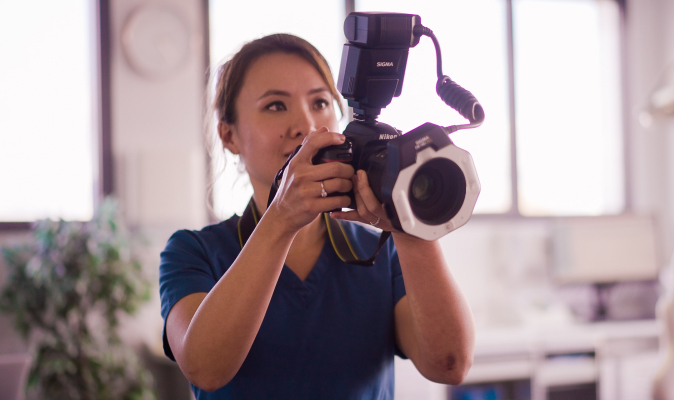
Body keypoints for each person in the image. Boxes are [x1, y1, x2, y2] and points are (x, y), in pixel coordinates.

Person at [159, 34, 475, 399]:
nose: (305, 125)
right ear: (228, 136)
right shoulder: (193, 251)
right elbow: (205, 369)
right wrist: (279, 221)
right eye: (276, 105)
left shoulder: (383, 252)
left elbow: (450, 365)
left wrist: (408, 227)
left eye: (321, 102)